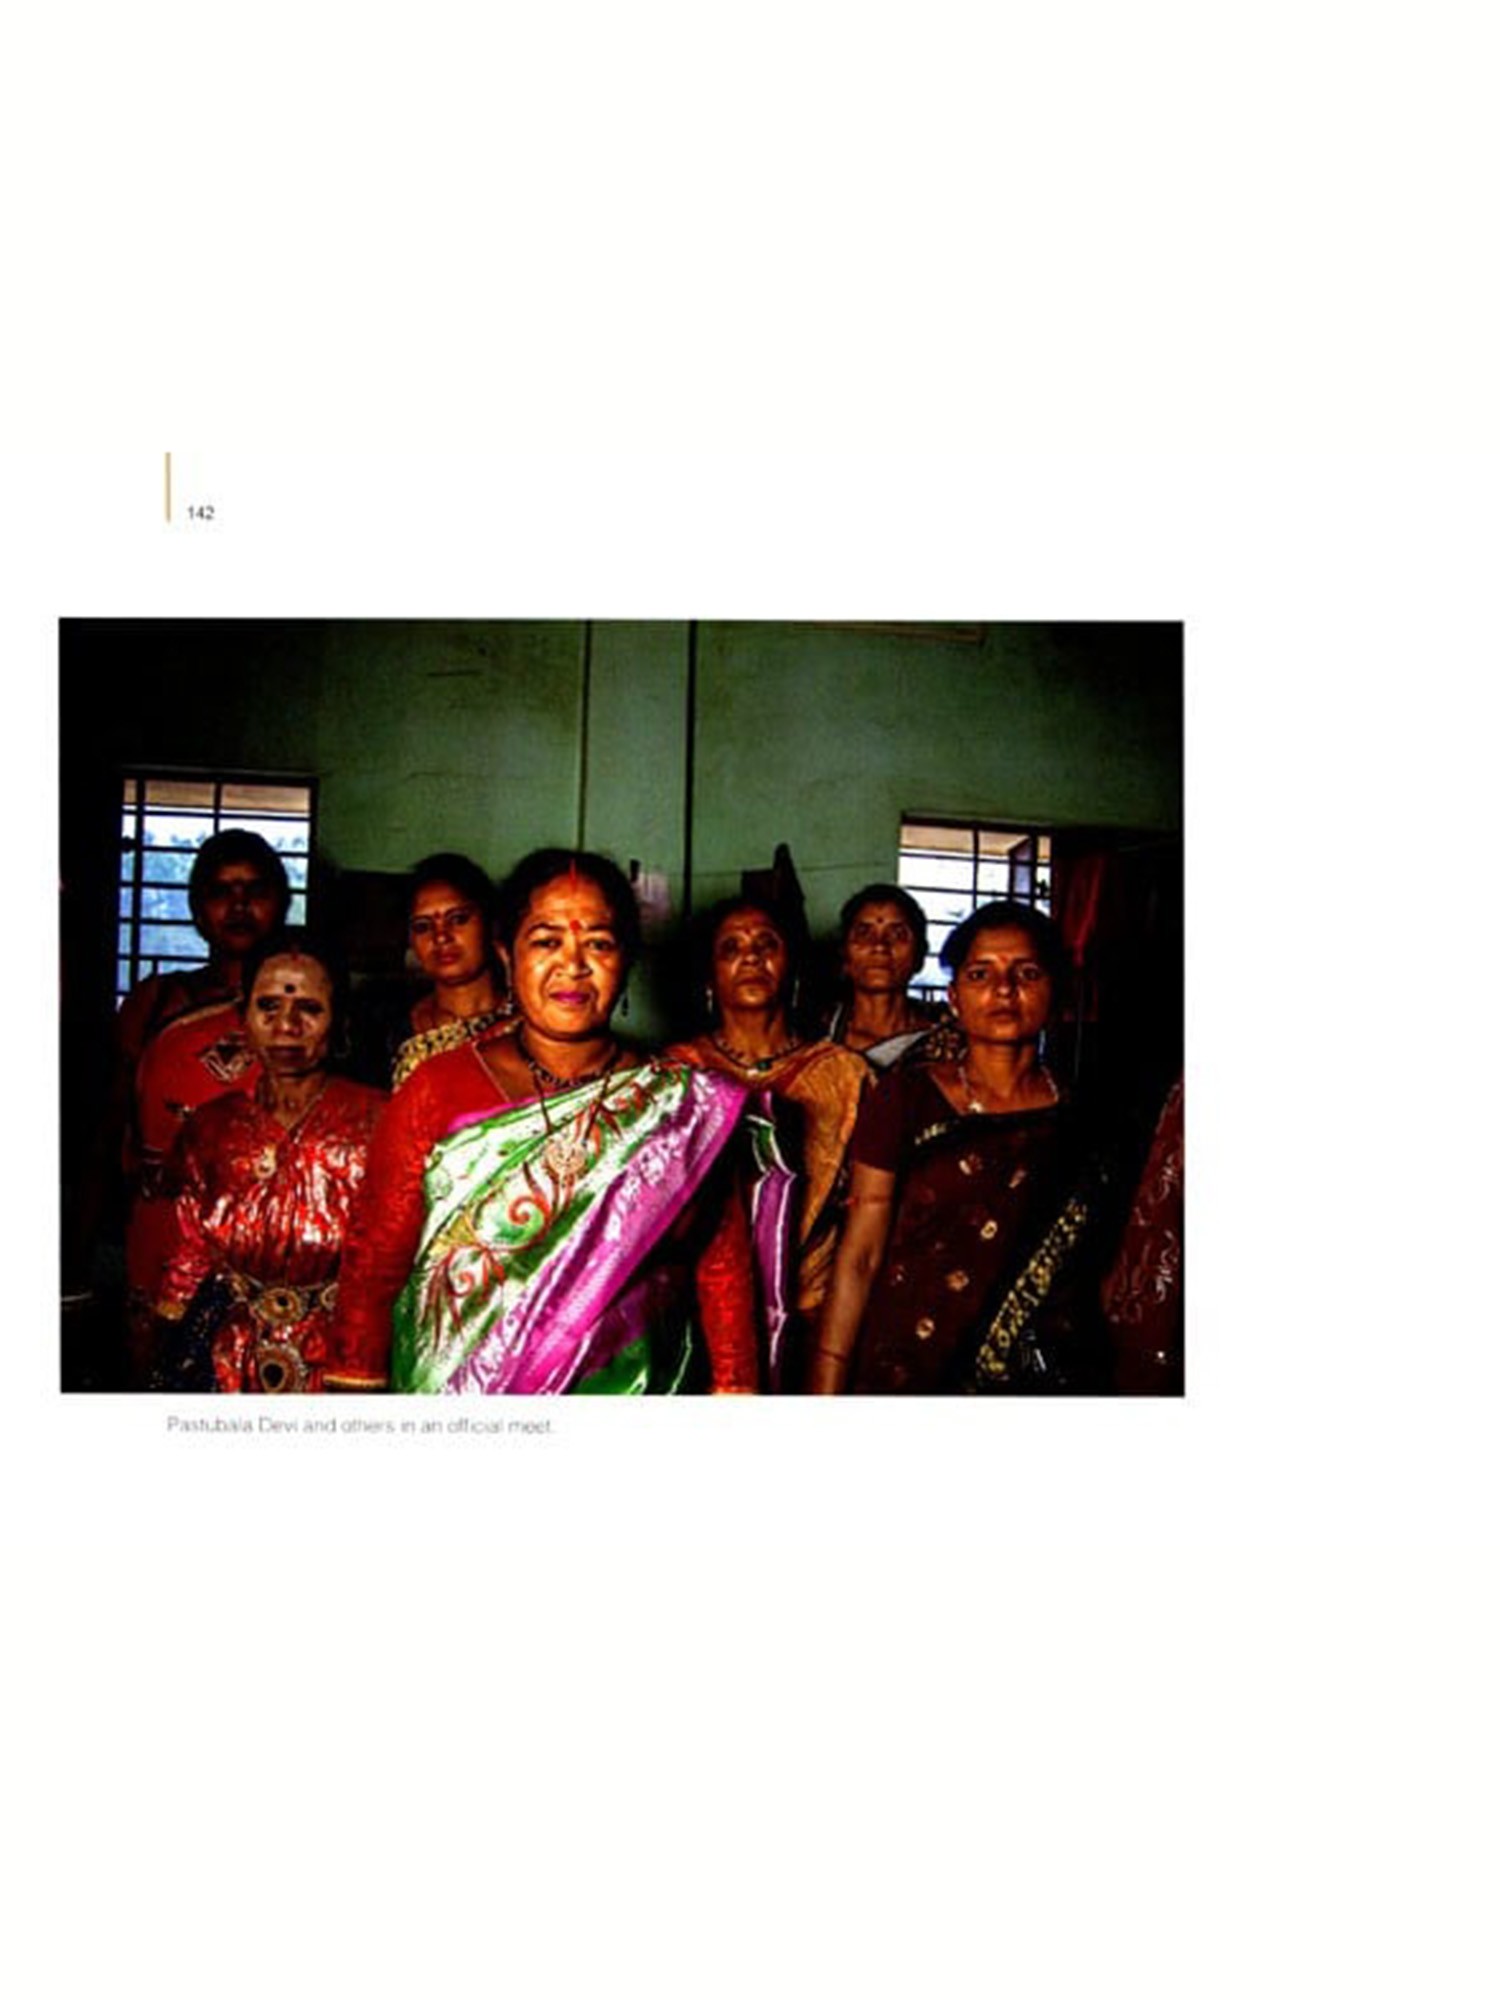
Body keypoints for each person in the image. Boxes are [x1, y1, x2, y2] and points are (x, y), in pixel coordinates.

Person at [328, 851, 790, 1394]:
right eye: (547, 942)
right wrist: (355, 1394)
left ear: (627, 959)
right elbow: (374, 1264)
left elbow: (721, 1269)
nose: (573, 966)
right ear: (507, 954)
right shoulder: (437, 1089)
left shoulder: (679, 1106)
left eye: (598, 943)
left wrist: (736, 1393)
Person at [810, 900, 1117, 1394]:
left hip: (1041, 1380)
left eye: (1027, 973)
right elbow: (861, 1254)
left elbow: (1102, 1274)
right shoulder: (906, 1098)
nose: (1004, 989)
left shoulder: (1086, 1118)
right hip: (908, 1368)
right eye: (980, 974)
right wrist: (826, 1383)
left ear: (1056, 991)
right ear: (953, 997)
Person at [151, 933, 385, 1393]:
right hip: (228, 1357)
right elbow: (190, 1253)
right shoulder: (211, 1129)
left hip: (346, 1359)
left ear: (339, 1020)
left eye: (309, 1009)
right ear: (244, 1018)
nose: (287, 1026)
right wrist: (163, 1333)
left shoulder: (381, 1120)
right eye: (268, 1007)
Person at [665, 895, 868, 1381]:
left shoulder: (845, 1074)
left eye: (766, 944)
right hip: (699, 1319)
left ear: (791, 964)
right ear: (709, 976)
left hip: (814, 1315)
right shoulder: (675, 1072)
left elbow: (866, 1213)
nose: (751, 957)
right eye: (731, 948)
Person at [114, 830, 292, 1366]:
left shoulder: (306, 1005)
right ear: (195, 909)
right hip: (164, 1230)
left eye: (255, 890)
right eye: (220, 891)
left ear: (282, 902)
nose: (238, 905)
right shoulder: (158, 1002)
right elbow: (108, 1125)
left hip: (271, 1241)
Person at [357, 852, 512, 1087]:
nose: (441, 937)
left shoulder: (526, 1026)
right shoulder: (386, 1028)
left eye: (458, 919)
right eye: (423, 927)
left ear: (491, 925)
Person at [825, 883, 945, 1070]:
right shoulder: (814, 1032)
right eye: (863, 933)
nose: (880, 946)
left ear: (920, 955)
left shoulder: (946, 1043)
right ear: (844, 954)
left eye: (898, 934)